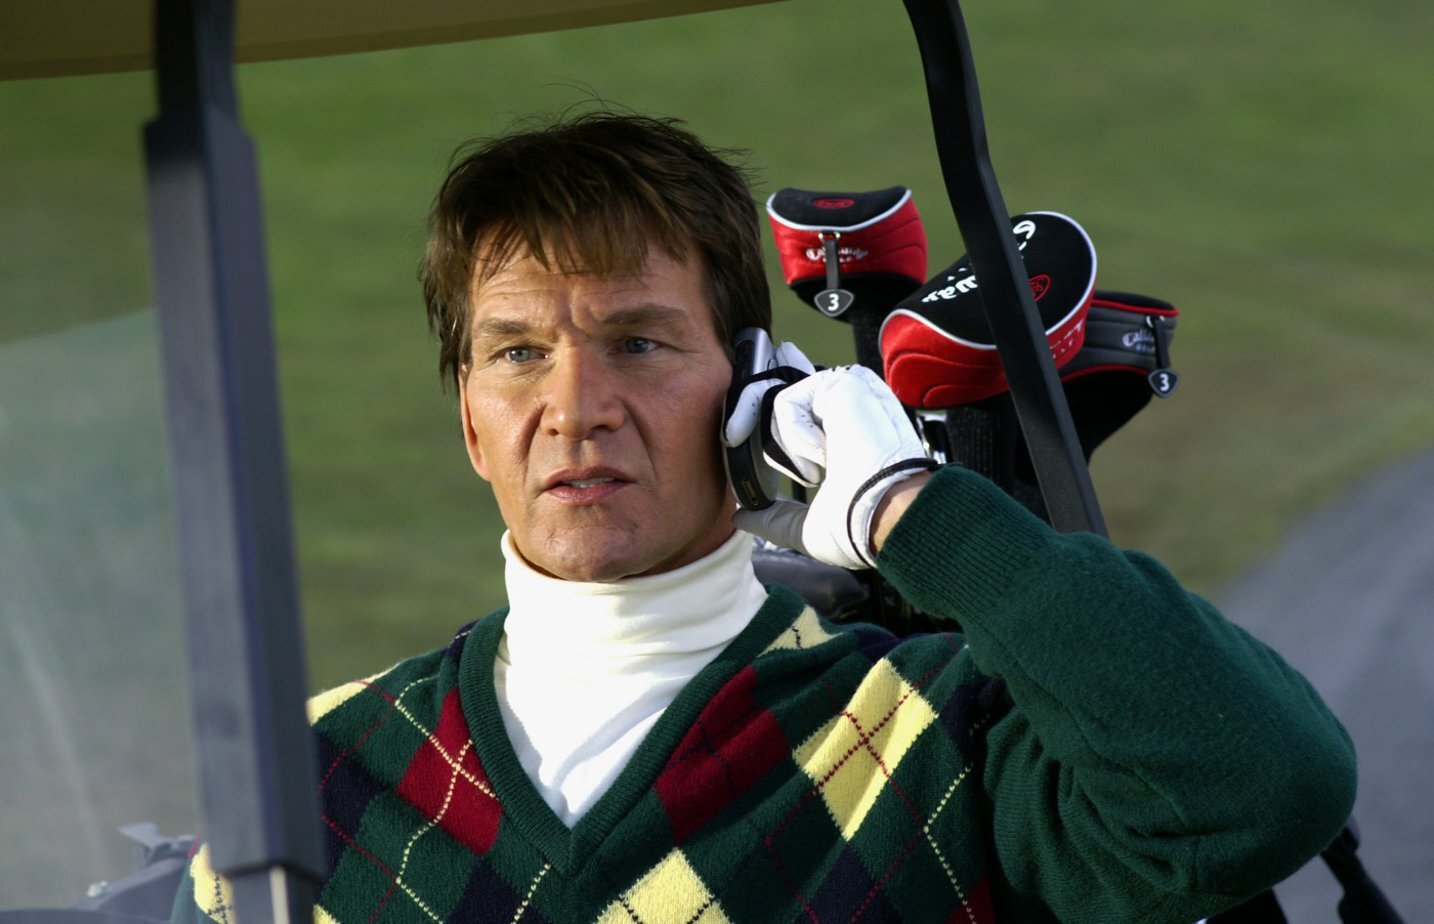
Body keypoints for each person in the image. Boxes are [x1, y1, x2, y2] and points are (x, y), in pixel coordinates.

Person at [173, 110, 1356, 923]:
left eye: (638, 343)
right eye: (519, 353)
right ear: (473, 426)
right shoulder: (304, 783)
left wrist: (910, 509)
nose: (575, 408)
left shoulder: (929, 739)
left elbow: (1263, 786)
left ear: (750, 390)